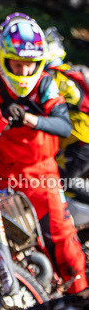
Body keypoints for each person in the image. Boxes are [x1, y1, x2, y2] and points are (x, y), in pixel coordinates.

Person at [0, 13, 87, 294]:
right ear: (3, 58)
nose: (22, 73)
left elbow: (62, 123)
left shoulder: (45, 84)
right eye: (16, 65)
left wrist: (29, 119)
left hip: (41, 174)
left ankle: (79, 300)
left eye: (28, 65)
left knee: (62, 239)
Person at [44, 27, 89, 199]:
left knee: (53, 186)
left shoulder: (52, 76)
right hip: (77, 142)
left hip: (77, 144)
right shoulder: (71, 72)